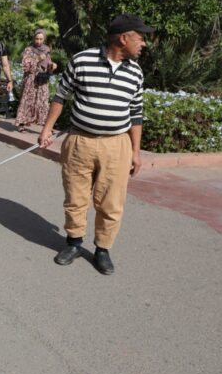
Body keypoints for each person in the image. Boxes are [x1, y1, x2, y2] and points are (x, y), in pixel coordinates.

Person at [38, 14, 153, 275]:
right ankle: (74, 243)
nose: (143, 44)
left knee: (111, 202)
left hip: (117, 146)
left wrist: (135, 152)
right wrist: (46, 130)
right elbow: (61, 96)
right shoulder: (82, 60)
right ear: (123, 39)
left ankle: (102, 249)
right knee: (76, 198)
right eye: (140, 38)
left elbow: (136, 112)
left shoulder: (135, 72)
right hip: (80, 142)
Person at [15, 29, 57, 131]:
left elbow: (48, 64)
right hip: (31, 80)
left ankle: (46, 126)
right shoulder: (29, 50)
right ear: (34, 38)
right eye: (37, 39)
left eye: (41, 39)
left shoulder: (46, 50)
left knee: (43, 102)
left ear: (44, 39)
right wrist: (37, 58)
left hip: (42, 80)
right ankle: (22, 123)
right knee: (27, 101)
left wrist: (52, 66)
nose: (38, 41)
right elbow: (25, 65)